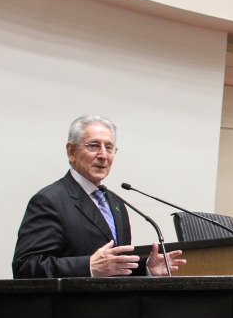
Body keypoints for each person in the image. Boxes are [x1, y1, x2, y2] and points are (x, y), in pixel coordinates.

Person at [12, 115, 186, 278]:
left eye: (109, 147)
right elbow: (25, 267)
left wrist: (146, 267)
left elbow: (114, 267)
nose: (103, 155)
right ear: (71, 152)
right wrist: (88, 266)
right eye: (93, 146)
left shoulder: (115, 202)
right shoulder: (50, 200)